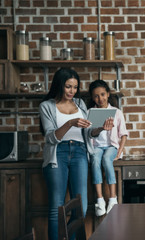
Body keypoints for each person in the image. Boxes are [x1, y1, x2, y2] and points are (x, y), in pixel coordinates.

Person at [39, 68, 114, 240]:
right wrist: (71, 123)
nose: (72, 91)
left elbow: (88, 133)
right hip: (58, 154)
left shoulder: (80, 103)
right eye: (68, 87)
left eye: (75, 87)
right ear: (59, 85)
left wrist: (101, 128)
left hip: (80, 153)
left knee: (81, 206)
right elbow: (51, 136)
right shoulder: (47, 106)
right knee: (56, 207)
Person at [88, 80, 128, 216]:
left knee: (106, 160)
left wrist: (119, 152)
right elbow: (90, 134)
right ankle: (100, 200)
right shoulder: (90, 112)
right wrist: (100, 128)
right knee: (95, 160)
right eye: (96, 96)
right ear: (92, 98)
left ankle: (112, 198)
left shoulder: (117, 112)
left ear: (108, 94)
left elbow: (123, 135)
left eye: (103, 94)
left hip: (111, 147)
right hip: (97, 146)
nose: (100, 99)